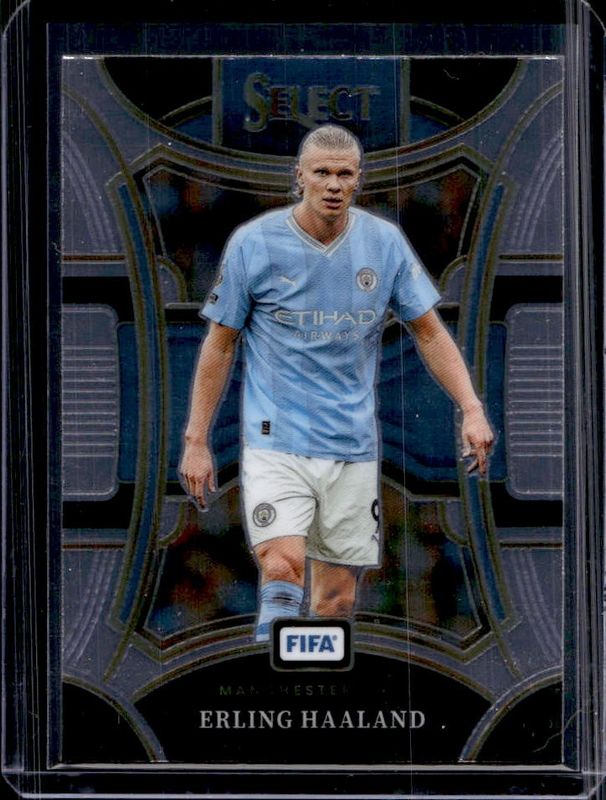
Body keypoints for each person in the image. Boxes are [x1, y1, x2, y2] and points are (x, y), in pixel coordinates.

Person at [179, 124, 494, 642]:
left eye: (344, 174)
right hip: (276, 441)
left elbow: (429, 333)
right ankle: (272, 667)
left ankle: (313, 681)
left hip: (351, 445)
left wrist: (472, 408)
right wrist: (197, 440)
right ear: (299, 176)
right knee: (281, 565)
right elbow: (220, 343)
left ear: (358, 180)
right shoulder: (255, 243)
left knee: (336, 600)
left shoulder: (383, 243)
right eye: (321, 172)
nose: (332, 184)